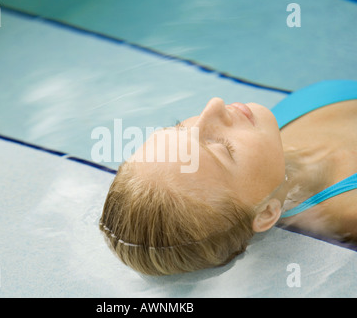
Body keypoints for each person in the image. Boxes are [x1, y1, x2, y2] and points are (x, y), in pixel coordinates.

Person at [99, 80, 357, 275]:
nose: (214, 106)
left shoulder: (267, 130)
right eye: (223, 148)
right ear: (266, 212)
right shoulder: (350, 212)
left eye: (181, 126)